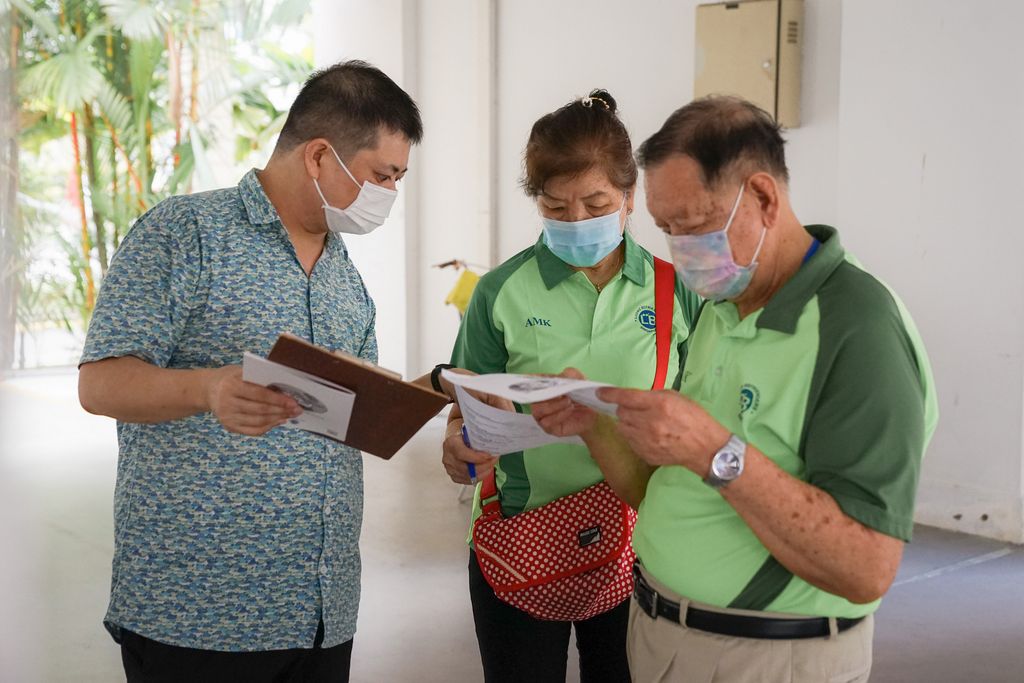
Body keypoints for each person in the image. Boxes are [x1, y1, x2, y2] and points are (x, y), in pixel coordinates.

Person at [532, 95, 939, 682]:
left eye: (693, 226)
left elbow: (866, 566)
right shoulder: (724, 308)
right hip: (666, 637)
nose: (679, 250)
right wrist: (596, 426)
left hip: (765, 656)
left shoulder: (857, 328)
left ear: (764, 198)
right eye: (666, 228)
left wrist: (712, 450)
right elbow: (671, 494)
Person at [77, 60, 422, 682]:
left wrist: (421, 397)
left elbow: (351, 412)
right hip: (198, 611)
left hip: (322, 608)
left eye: (398, 179)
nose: (388, 196)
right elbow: (99, 382)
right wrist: (209, 388)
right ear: (319, 155)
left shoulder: (346, 274)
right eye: (381, 176)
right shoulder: (184, 234)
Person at [439, 90, 701, 683]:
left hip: (641, 540)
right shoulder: (501, 292)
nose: (576, 221)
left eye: (595, 203)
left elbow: (699, 411)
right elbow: (466, 409)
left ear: (630, 198)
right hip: (522, 535)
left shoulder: (673, 291)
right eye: (555, 208)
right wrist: (457, 445)